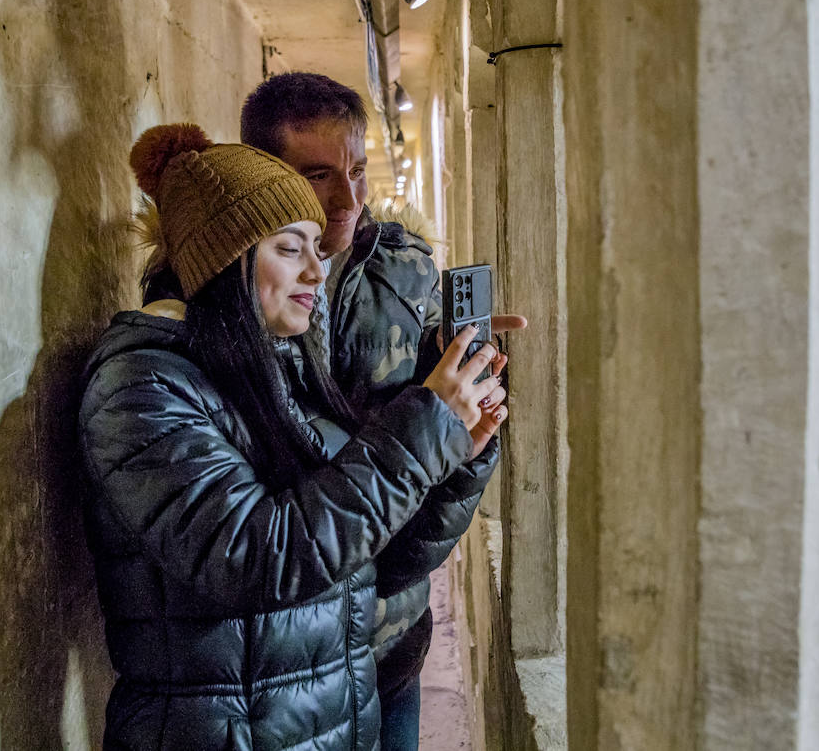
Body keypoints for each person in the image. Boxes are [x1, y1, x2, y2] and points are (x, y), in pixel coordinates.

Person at [79, 123, 509, 750]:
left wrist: (459, 452)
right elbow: (258, 556)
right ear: (223, 260)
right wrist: (421, 435)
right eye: (289, 248)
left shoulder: (281, 369)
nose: (316, 270)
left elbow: (377, 566)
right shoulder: (139, 388)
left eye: (316, 248)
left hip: (324, 723)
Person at [237, 73, 526, 749]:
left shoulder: (408, 270)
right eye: (317, 176)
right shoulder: (232, 299)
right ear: (261, 176)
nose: (348, 198)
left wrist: (468, 431)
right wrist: (430, 419)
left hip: (393, 633)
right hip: (287, 656)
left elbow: (433, 472)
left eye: (358, 170)